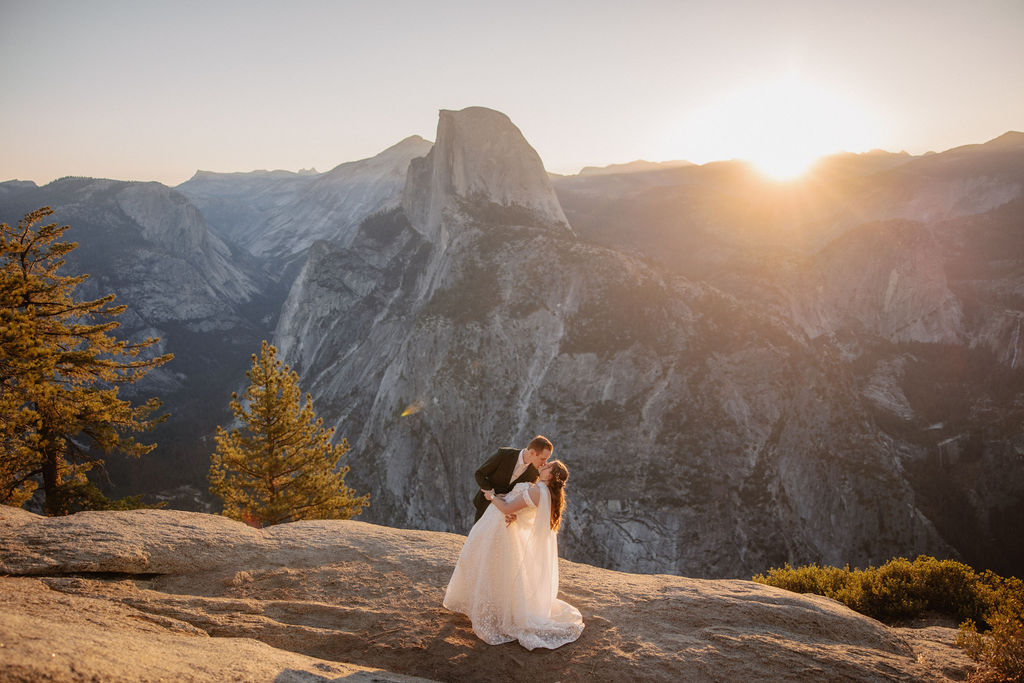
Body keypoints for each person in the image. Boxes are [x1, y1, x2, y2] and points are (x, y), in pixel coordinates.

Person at [443, 459, 584, 650]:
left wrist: (491, 497)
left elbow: (508, 508)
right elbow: (526, 512)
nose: (544, 465)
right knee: (499, 571)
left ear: (551, 475)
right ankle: (499, 605)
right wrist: (515, 513)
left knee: (491, 568)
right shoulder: (545, 492)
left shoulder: (538, 490)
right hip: (507, 527)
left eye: (548, 466)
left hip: (503, 532)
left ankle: (495, 607)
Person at [473, 436, 552, 523]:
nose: (545, 463)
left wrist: (516, 515)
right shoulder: (503, 454)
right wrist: (491, 493)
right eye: (543, 459)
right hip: (485, 505)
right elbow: (479, 474)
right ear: (532, 452)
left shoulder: (535, 472)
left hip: (504, 515)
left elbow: (523, 497)